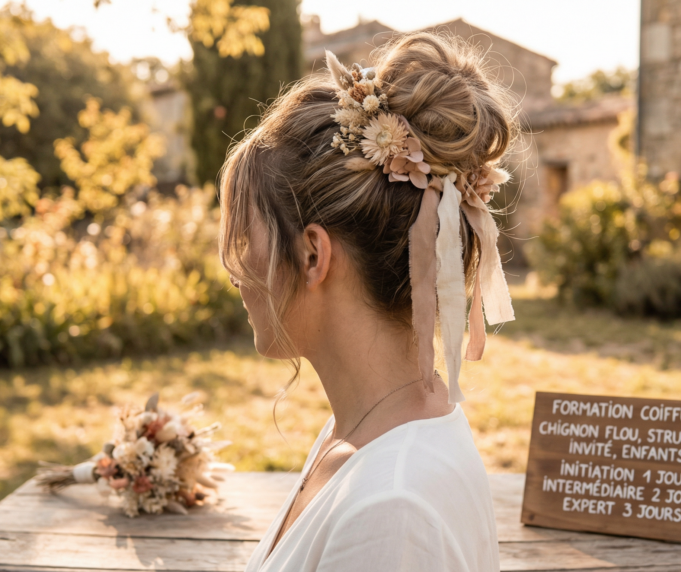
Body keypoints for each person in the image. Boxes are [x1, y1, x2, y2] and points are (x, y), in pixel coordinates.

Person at [219, 31, 518, 572]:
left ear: (313, 255)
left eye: (247, 241)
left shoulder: (390, 513)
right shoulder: (361, 431)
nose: (236, 272)